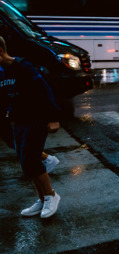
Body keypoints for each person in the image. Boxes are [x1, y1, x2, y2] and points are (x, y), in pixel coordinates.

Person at [0, 36, 61, 218]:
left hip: (38, 117)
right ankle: (42, 199)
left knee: (32, 159)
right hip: (20, 119)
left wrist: (53, 117)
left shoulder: (23, 66)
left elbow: (45, 90)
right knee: (25, 161)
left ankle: (51, 195)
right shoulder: (1, 72)